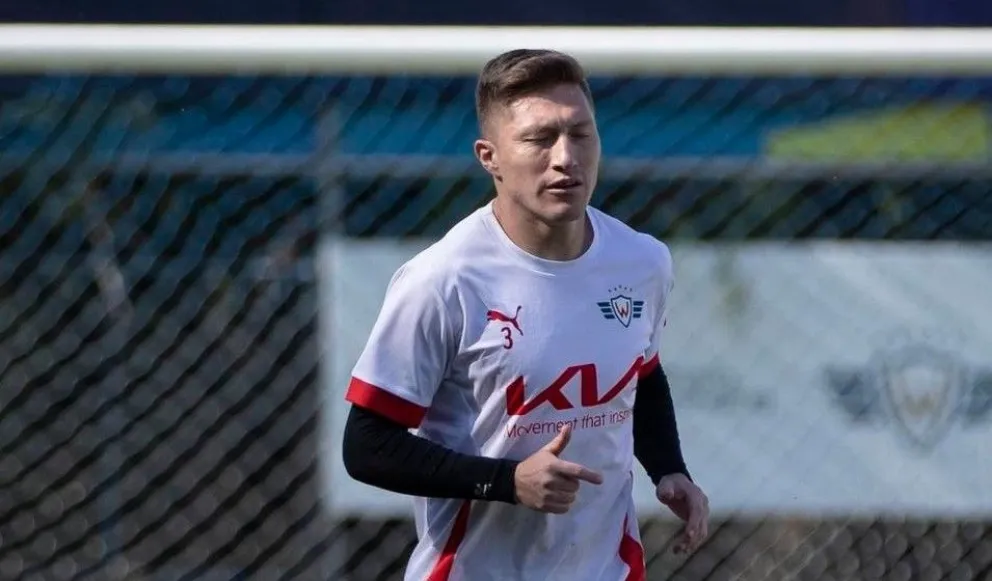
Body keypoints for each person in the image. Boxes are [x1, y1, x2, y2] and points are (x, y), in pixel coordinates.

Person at [341, 48, 709, 581]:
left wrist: (670, 467)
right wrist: (507, 480)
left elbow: (642, 378)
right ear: (489, 156)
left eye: (580, 134)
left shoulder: (642, 261)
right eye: (540, 139)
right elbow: (367, 446)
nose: (566, 157)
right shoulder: (443, 279)